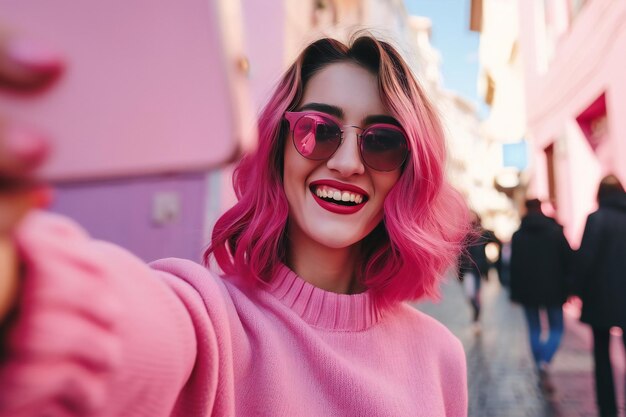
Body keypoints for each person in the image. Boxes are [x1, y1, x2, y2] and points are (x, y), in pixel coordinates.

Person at [0, 32, 471, 416]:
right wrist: (17, 279)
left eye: (382, 142)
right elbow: (105, 334)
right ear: (279, 148)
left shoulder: (441, 357)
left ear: (408, 173)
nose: (347, 163)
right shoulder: (212, 322)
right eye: (318, 130)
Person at [572, 174, 626, 417]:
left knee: (602, 356)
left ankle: (608, 410)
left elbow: (585, 260)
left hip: (601, 298)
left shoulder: (596, 219)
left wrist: (576, 290)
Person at [509, 198, 571, 392]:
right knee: (557, 328)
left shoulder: (518, 235)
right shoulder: (555, 232)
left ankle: (540, 365)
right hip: (554, 288)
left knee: (534, 329)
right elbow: (567, 260)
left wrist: (514, 292)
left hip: (528, 290)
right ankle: (545, 361)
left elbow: (514, 267)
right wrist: (569, 287)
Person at [458, 211, 495, 331]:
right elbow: (460, 254)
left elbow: (496, 241)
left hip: (479, 269)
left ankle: (477, 319)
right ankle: (476, 315)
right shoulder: (463, 234)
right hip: (468, 269)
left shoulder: (483, 232)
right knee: (470, 295)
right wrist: (460, 272)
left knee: (476, 295)